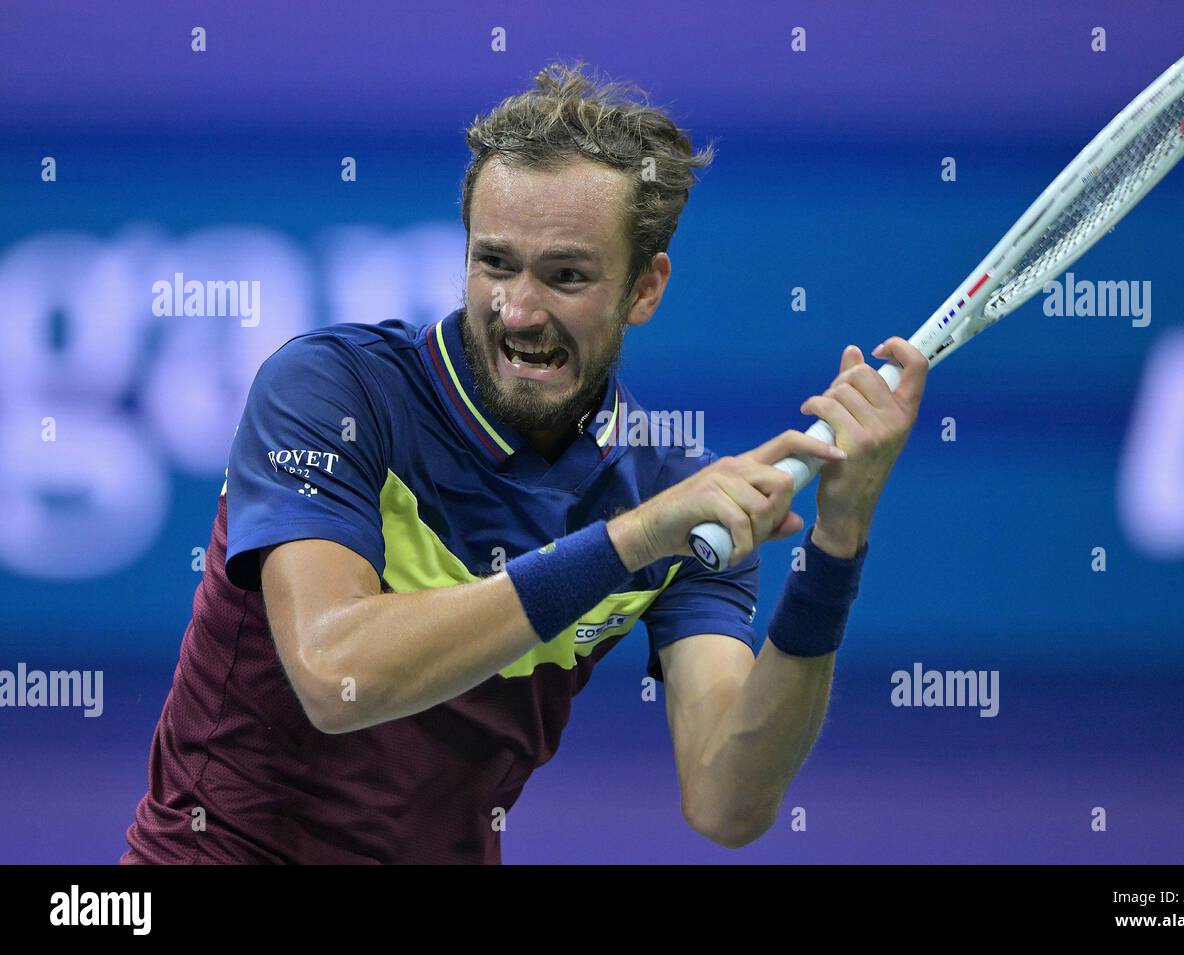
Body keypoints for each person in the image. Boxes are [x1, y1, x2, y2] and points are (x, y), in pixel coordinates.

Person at [120, 61, 928, 864]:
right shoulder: (331, 391)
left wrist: (840, 540)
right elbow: (338, 675)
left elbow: (727, 798)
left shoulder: (672, 491)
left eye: (566, 275)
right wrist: (630, 541)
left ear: (645, 290)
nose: (519, 311)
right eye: (495, 263)